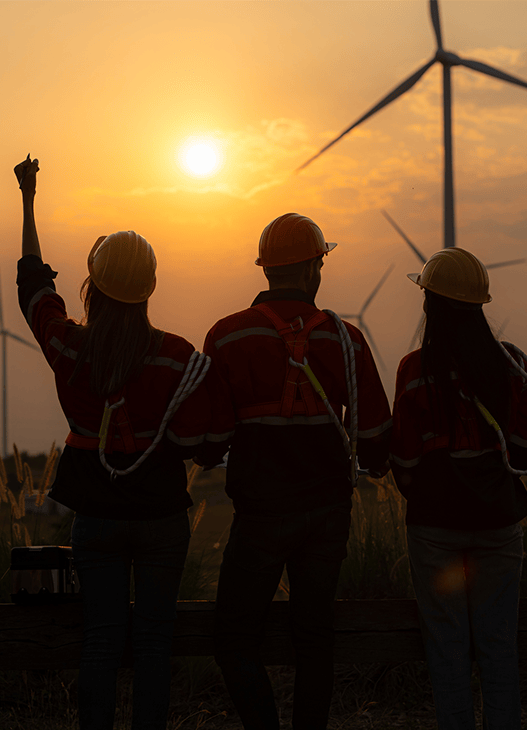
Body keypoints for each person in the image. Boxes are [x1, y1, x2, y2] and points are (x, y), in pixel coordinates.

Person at [14, 155, 210, 730]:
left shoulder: (68, 347)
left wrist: (28, 199)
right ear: (149, 289)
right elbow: (204, 440)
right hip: (162, 518)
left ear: (93, 286)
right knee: (153, 643)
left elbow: (33, 282)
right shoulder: (179, 356)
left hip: (96, 517)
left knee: (100, 641)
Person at [197, 213, 392, 730]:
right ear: (312, 268)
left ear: (266, 270)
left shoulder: (226, 336)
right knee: (314, 637)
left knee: (234, 639)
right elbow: (374, 440)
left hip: (260, 514)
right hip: (328, 514)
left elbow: (212, 440)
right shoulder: (347, 340)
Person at [389, 248, 527, 730]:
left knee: (447, 651)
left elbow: (405, 462)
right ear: (480, 305)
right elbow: (522, 453)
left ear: (430, 305)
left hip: (435, 530)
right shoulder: (513, 367)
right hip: (498, 524)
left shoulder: (414, 372)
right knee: (499, 649)